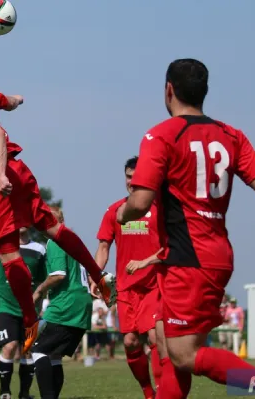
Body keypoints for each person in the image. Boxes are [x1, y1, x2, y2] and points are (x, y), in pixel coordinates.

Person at [117, 58, 255, 399]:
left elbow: (139, 203)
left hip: (189, 258)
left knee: (184, 354)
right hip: (214, 254)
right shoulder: (230, 135)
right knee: (170, 349)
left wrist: (123, 213)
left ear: (168, 90)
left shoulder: (161, 135)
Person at [0, 48, 113, 353]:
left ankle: (30, 318)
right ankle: (98, 275)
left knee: (8, 254)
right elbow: (8, 102)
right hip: (20, 170)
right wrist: (17, 99)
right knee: (50, 226)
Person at [94, 155, 165, 397]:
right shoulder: (115, 211)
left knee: (157, 337)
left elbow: (171, 247)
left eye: (136, 177)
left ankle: (164, 392)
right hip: (126, 289)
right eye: (128, 177)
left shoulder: (159, 210)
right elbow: (104, 247)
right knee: (130, 342)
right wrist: (96, 276)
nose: (131, 182)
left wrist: (146, 262)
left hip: (155, 285)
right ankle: (148, 392)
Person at [30, 206, 93, 399]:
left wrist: (39, 290)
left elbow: (58, 275)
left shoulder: (56, 241)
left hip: (66, 305)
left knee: (37, 351)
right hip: (82, 305)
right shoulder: (73, 240)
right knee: (54, 356)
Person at [0, 227, 46, 399]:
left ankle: (24, 394)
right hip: (5, 306)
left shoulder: (39, 249)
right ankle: (4, 392)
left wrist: (39, 298)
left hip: (30, 309)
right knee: (9, 347)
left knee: (28, 350)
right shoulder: (2, 245)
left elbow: (43, 280)